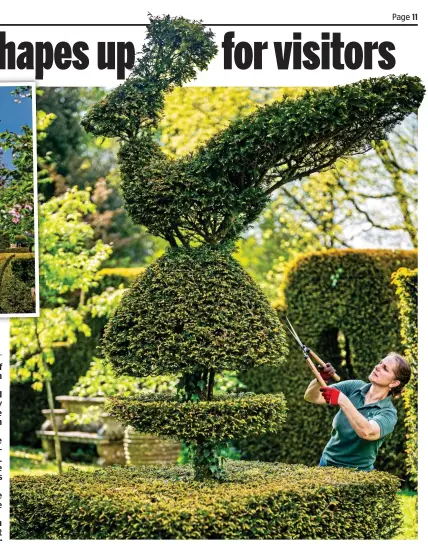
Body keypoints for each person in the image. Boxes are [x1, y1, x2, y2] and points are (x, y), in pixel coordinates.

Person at [304, 352, 411, 472]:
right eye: (380, 363)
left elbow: (367, 432)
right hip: (326, 463)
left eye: (385, 368)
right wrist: (321, 378)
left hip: (357, 473)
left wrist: (342, 400)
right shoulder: (354, 387)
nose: (377, 367)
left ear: (394, 383)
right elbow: (312, 397)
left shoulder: (388, 414)